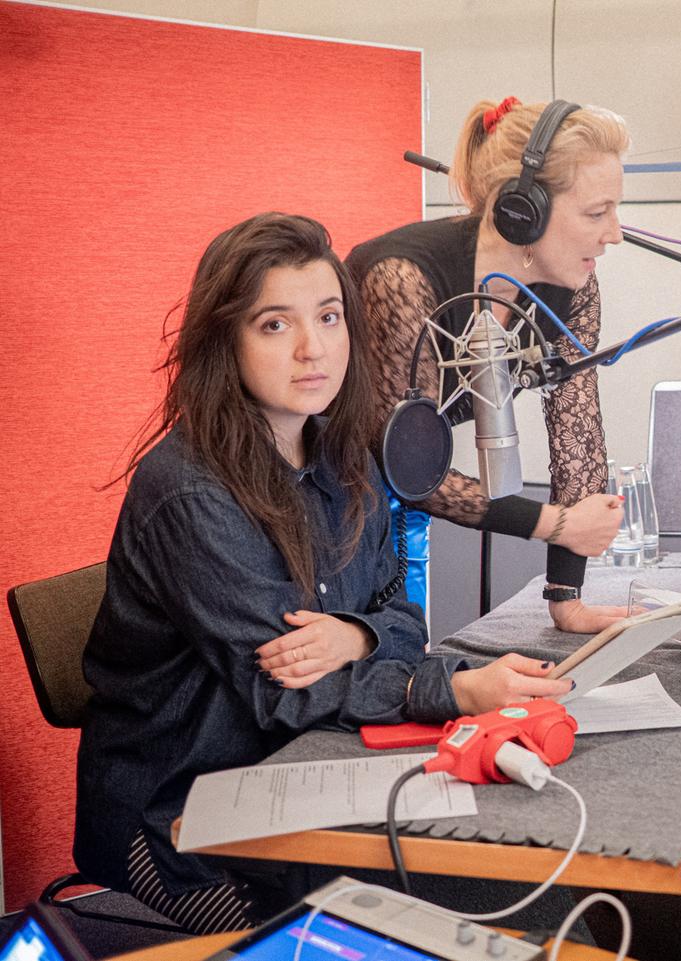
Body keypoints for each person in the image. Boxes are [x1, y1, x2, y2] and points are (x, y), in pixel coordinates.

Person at [74, 213, 572, 934]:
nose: (314, 349)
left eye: (329, 317)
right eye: (275, 325)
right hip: (179, 819)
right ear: (227, 342)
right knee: (333, 942)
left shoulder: (342, 455)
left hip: (297, 776)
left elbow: (404, 615)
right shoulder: (190, 494)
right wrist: (453, 686)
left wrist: (355, 636)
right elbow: (284, 692)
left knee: (489, 897)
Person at [346, 97, 631, 635]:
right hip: (328, 506)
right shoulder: (401, 276)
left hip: (407, 501)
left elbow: (578, 438)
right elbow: (410, 473)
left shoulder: (573, 287)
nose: (614, 232)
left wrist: (566, 596)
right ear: (523, 209)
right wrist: (557, 525)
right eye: (598, 212)